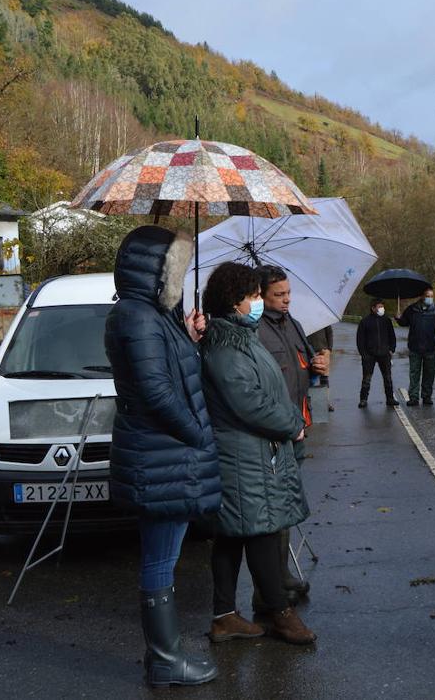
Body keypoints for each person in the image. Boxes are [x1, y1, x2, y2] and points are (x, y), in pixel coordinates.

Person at [104, 225, 220, 687]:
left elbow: (166, 372)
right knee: (159, 558)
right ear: (157, 269)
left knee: (163, 556)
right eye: (177, 266)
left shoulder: (151, 315)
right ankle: (166, 661)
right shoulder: (137, 317)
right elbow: (155, 391)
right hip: (163, 453)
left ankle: (164, 658)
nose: (181, 275)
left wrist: (186, 339)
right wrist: (195, 434)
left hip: (163, 453)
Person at [199, 263, 315, 645]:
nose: (258, 302)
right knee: (262, 531)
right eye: (252, 296)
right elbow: (248, 401)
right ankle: (280, 613)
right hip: (243, 454)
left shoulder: (240, 337)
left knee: (232, 536)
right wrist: (290, 423)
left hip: (250, 452)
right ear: (235, 302)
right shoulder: (226, 346)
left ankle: (224, 616)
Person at [255, 264, 328, 602]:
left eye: (288, 293)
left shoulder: (295, 324)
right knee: (275, 508)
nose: (286, 300)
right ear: (260, 295)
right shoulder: (253, 329)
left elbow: (306, 366)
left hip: (298, 427)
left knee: (287, 504)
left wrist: (318, 366)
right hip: (273, 432)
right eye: (278, 295)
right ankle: (270, 585)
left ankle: (279, 576)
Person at [396, 287, 435, 406]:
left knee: (429, 373)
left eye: (431, 296)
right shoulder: (412, 309)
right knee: (414, 373)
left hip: (430, 347)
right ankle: (414, 397)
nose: (430, 298)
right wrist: (398, 318)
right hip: (415, 347)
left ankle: (427, 396)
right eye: (428, 296)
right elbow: (404, 322)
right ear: (422, 296)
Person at [356, 299, 398, 408]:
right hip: (369, 355)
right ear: (373, 308)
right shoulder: (365, 321)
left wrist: (391, 349)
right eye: (379, 306)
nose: (381, 309)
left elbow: (392, 336)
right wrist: (364, 354)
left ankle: (390, 398)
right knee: (366, 379)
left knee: (388, 378)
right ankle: (363, 399)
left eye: (382, 306)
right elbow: (360, 340)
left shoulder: (386, 320)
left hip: (384, 354)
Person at [307, 325, 335, 411]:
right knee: (308, 379)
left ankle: (325, 402)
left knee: (324, 379)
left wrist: (329, 349)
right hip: (307, 352)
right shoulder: (302, 318)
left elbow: (329, 333)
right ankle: (307, 402)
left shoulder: (321, 316)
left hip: (323, 351)